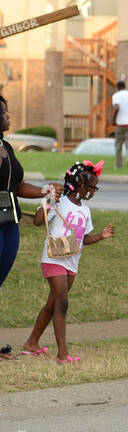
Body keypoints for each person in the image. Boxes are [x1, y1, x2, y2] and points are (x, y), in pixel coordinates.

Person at [22, 161, 114, 363]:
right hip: (54, 259)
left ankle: (31, 343)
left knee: (53, 303)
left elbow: (84, 239)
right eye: (93, 187)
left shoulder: (86, 211)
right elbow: (38, 221)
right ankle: (62, 354)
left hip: (72, 262)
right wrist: (48, 200)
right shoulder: (59, 201)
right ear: (81, 187)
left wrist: (101, 236)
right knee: (62, 302)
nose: (95, 191)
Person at [1, 95, 60, 297]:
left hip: (10, 224)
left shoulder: (6, 147)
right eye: (2, 111)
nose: (7, 115)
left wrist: (45, 190)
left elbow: (17, 186)